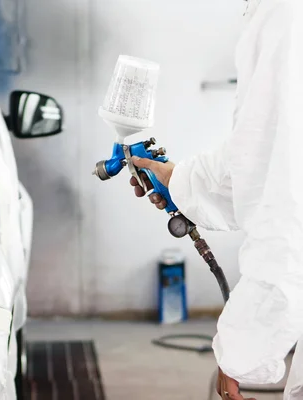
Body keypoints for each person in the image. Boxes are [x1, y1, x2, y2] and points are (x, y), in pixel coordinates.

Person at [129, 0, 303, 399]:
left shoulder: (286, 14)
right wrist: (181, 181)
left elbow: (287, 211)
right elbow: (260, 151)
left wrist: (240, 352)